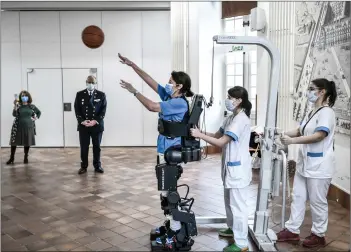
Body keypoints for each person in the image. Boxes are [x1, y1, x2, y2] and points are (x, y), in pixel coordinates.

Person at [118, 53, 194, 247]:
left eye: (171, 82)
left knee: (169, 193)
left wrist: (134, 91)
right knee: (165, 192)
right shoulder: (171, 96)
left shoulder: (178, 102)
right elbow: (152, 82)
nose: (168, 84)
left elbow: (152, 106)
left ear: (180, 86)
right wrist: (132, 65)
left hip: (170, 149)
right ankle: (170, 225)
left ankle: (176, 234)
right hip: (164, 148)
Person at [276, 78, 337, 248]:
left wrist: (292, 142)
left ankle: (319, 234)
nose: (308, 91)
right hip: (305, 165)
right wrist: (281, 134)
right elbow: (300, 130)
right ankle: (292, 230)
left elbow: (319, 135)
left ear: (322, 91)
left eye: (312, 89)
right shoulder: (312, 111)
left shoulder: (327, 113)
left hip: (320, 165)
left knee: (317, 201)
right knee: (298, 197)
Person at [190, 86, 252, 252]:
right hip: (230, 168)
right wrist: (198, 131)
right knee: (229, 202)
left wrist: (199, 136)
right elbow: (217, 135)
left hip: (238, 170)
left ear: (239, 101)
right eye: (228, 96)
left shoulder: (241, 120)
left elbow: (221, 143)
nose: (228, 100)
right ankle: (232, 228)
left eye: (231, 97)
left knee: (238, 206)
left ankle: (241, 243)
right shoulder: (232, 117)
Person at [74, 75, 107, 174]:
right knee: (84, 147)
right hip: (84, 126)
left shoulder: (101, 95)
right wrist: (82, 121)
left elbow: (103, 110)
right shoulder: (80, 94)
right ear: (86, 82)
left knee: (97, 147)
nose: (90, 84)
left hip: (96, 126)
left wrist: (95, 121)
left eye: (92, 82)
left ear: (95, 83)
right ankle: (83, 166)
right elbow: (77, 110)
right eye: (89, 82)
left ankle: (97, 166)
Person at [6, 90, 41, 164]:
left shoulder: (32, 106)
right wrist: (15, 105)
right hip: (18, 126)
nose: (24, 97)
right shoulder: (18, 106)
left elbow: (39, 112)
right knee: (14, 142)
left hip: (28, 127)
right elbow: (14, 114)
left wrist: (34, 118)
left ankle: (26, 157)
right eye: (22, 96)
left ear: (28, 97)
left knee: (27, 142)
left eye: (25, 96)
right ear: (20, 97)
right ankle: (12, 158)